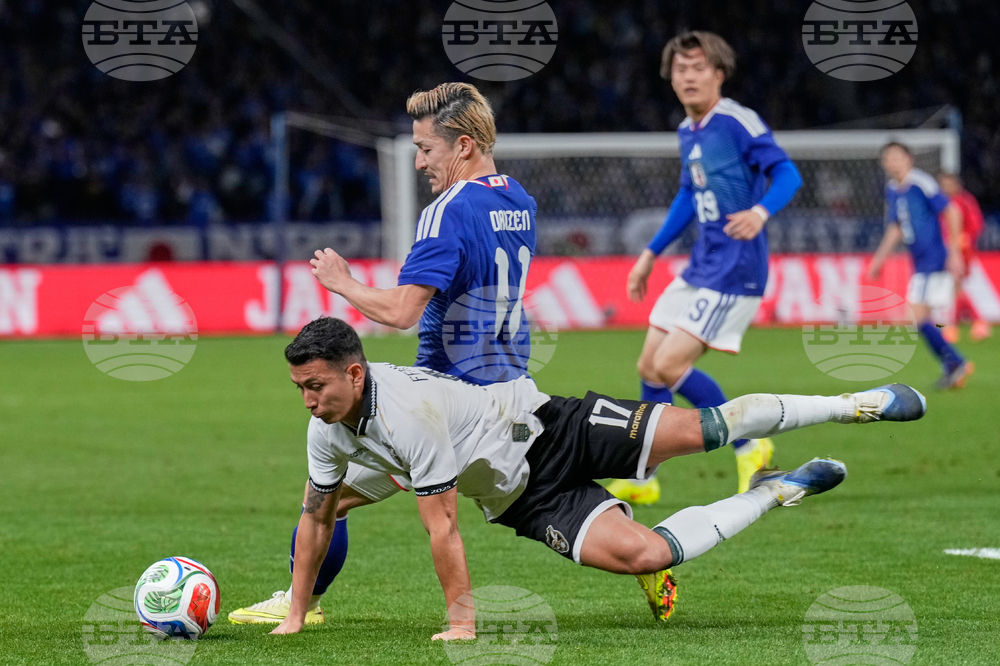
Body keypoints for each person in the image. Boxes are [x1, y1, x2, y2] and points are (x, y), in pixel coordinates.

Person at [271, 317, 927, 638]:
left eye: (315, 385)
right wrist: (296, 614)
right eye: (300, 387)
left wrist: (462, 619)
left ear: (353, 374)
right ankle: (774, 490)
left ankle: (855, 404)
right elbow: (318, 512)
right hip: (526, 499)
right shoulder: (325, 430)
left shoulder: (408, 412)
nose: (306, 399)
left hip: (554, 426)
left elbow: (440, 522)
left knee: (706, 430)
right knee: (646, 552)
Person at [229, 82, 539, 625]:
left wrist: (342, 282)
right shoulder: (519, 199)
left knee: (328, 497)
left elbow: (401, 312)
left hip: (450, 397)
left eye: (426, 148)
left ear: (463, 145)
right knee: (546, 495)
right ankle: (641, 552)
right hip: (510, 385)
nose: (419, 162)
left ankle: (305, 604)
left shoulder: (447, 210)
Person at [617, 31, 804, 504]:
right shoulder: (688, 131)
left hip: (736, 268)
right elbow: (687, 194)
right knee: (648, 366)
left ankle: (751, 442)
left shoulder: (737, 121)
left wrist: (760, 212)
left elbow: (788, 173)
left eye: (698, 68)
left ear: (718, 74)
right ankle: (644, 478)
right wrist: (650, 253)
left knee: (668, 364)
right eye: (680, 69)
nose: (688, 77)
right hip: (701, 264)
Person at [867, 143, 972, 389]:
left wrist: (954, 252)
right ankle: (953, 363)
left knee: (915, 316)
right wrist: (879, 258)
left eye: (896, 157)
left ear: (908, 159)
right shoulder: (893, 190)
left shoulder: (920, 183)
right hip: (921, 262)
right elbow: (896, 227)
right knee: (918, 318)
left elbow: (952, 211)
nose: (892, 162)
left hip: (934, 259)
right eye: (887, 159)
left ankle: (955, 363)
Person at [937, 172, 990, 343]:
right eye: (943, 184)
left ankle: (962, 325)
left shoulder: (965, 200)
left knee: (956, 286)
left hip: (962, 251)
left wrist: (964, 238)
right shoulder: (942, 202)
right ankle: (975, 323)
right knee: (955, 288)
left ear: (956, 184)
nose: (946, 187)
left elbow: (977, 224)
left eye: (948, 183)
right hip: (947, 250)